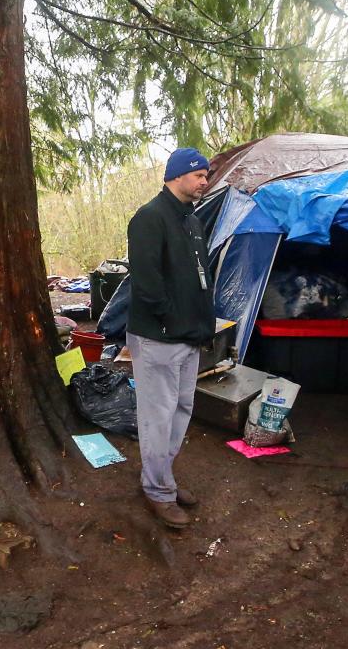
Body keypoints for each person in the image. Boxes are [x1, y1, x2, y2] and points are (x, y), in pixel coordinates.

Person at [126, 147, 215, 529]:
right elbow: (148, 284)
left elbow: (198, 278)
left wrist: (201, 325)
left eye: (206, 176)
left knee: (180, 410)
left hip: (188, 335)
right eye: (199, 175)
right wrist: (172, 321)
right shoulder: (149, 218)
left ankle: (162, 478)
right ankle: (157, 491)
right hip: (158, 337)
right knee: (157, 417)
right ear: (177, 175)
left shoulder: (191, 220)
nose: (205, 182)